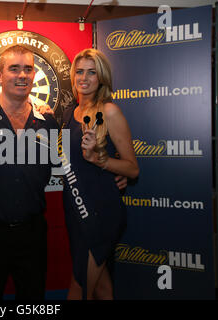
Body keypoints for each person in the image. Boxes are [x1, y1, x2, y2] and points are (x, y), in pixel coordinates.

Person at [0, 45, 129, 300]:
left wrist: (114, 170)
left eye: (28, 69)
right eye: (14, 69)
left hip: (34, 233)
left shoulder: (48, 120)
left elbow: (75, 158)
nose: (22, 75)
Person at [59, 48, 139, 300]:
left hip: (101, 213)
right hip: (75, 210)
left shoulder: (109, 112)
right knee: (102, 288)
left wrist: (100, 160)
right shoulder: (69, 113)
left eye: (92, 72)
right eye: (79, 72)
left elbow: (132, 168)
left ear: (101, 77)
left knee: (80, 286)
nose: (84, 78)